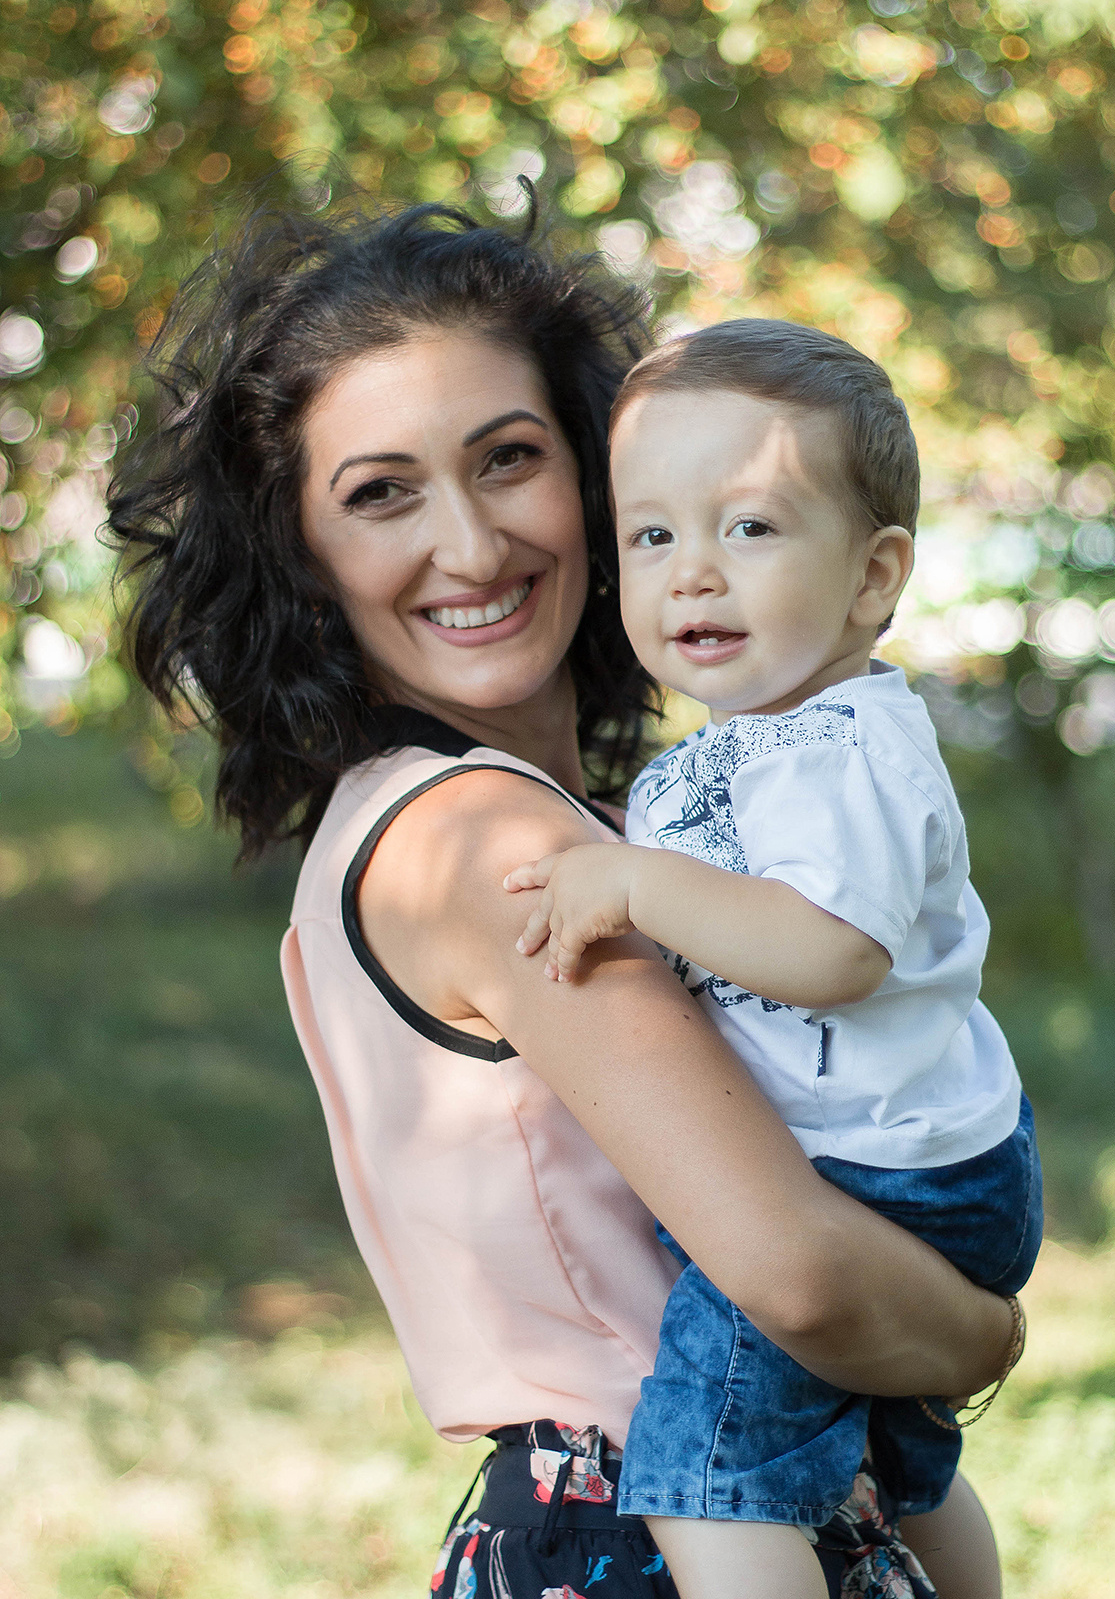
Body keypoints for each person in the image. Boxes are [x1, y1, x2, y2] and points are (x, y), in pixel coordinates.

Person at [108, 197, 1022, 1599]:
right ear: (303, 554)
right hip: (643, 1544)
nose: (470, 548)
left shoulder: (594, 826)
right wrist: (980, 1341)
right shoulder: (483, 844)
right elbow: (805, 1280)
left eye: (509, 460)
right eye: (381, 493)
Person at [506, 318, 1041, 1599]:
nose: (693, 575)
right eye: (652, 535)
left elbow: (831, 950)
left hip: (878, 1175)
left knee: (705, 1480)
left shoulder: (835, 751)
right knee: (900, 1463)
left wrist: (638, 886)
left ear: (871, 579)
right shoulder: (760, 742)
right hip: (904, 1155)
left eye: (747, 528)